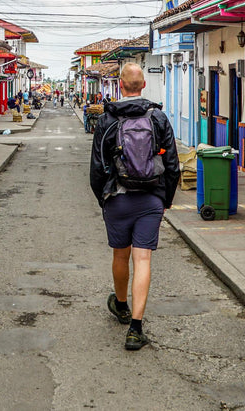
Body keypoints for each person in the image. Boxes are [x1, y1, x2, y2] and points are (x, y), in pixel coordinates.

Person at [89, 63, 180, 350]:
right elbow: (173, 164)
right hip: (151, 198)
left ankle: (121, 305)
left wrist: (103, 198)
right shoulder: (158, 117)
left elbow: (96, 169)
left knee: (120, 254)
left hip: (118, 197)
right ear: (142, 85)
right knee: (143, 259)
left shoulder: (107, 120)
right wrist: (165, 200)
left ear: (119, 84)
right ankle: (136, 328)